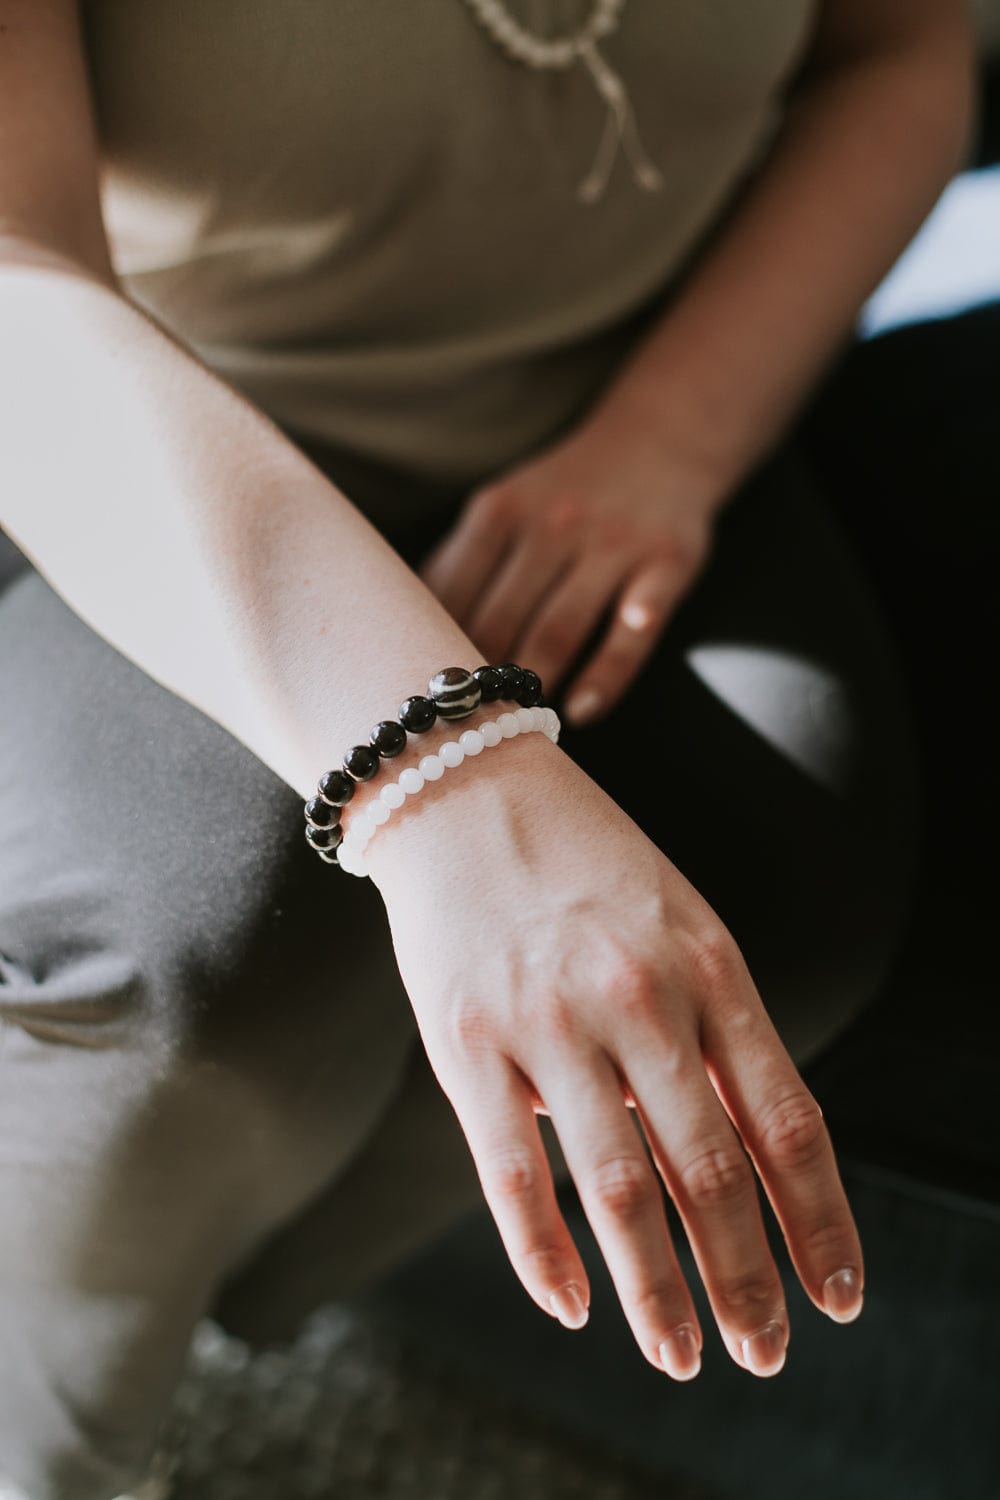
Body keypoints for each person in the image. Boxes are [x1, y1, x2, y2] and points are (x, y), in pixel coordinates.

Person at [0, 2, 974, 1497]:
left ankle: (277, 1281)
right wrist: (448, 780)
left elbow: (898, 53)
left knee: (789, 889)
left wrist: (672, 440)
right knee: (199, 956)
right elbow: (16, 285)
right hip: (143, 427)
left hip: (604, 409)